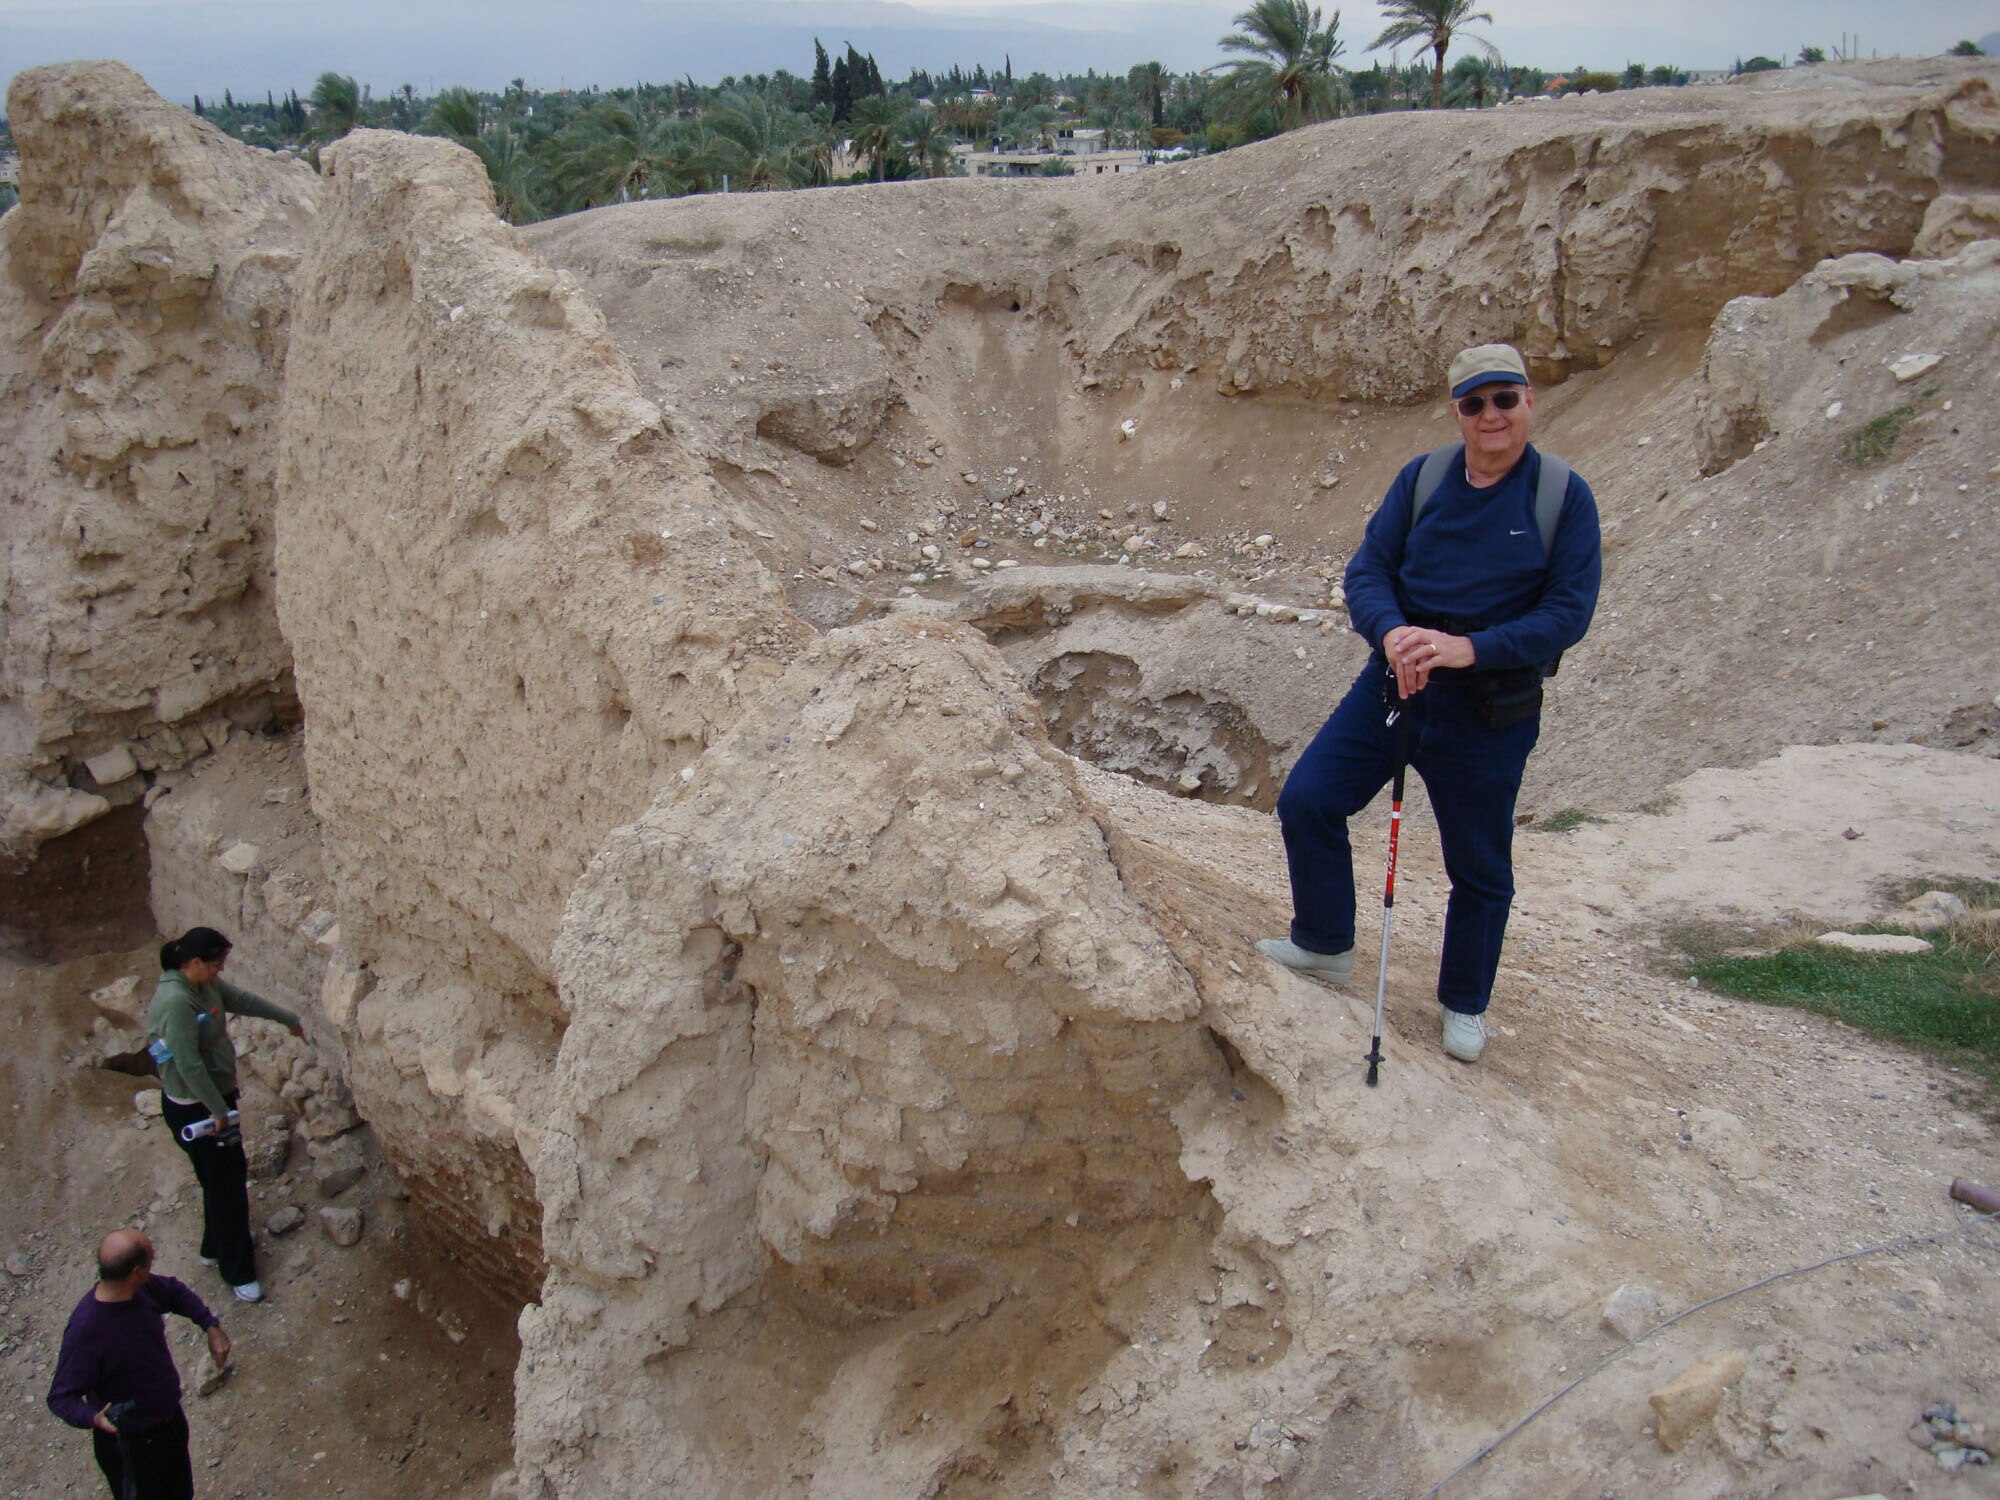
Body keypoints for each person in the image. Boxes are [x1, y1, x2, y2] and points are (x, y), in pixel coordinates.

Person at [1259, 343, 1602, 1063]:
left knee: (1479, 866)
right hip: (1396, 683)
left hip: (1489, 707)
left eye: (1504, 398)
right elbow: (1368, 572)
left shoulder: (1562, 497)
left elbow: (1567, 613)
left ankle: (1465, 1005)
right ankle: (1323, 944)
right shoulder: (1423, 480)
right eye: (1474, 403)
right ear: (1457, 412)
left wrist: (1467, 649)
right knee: (1310, 799)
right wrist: (1393, 635)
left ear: (1528, 401)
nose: (1491, 415)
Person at [147, 927, 302, 1301]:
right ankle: (239, 1271)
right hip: (198, 1109)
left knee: (219, 1179)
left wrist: (288, 1018)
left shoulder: (204, 986)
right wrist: (218, 1110)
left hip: (215, 1101)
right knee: (228, 1186)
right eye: (216, 965)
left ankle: (213, 1247)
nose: (221, 971)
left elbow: (243, 1000)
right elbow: (188, 1064)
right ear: (195, 963)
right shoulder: (175, 1002)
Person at [46, 1228, 231, 1500]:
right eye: (150, 1262)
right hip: (132, 1447)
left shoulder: (141, 1290)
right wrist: (93, 1417)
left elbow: (176, 1292)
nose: (152, 1268)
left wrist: (210, 1326)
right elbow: (60, 1397)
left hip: (169, 1424)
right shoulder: (86, 1331)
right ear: (135, 1272)